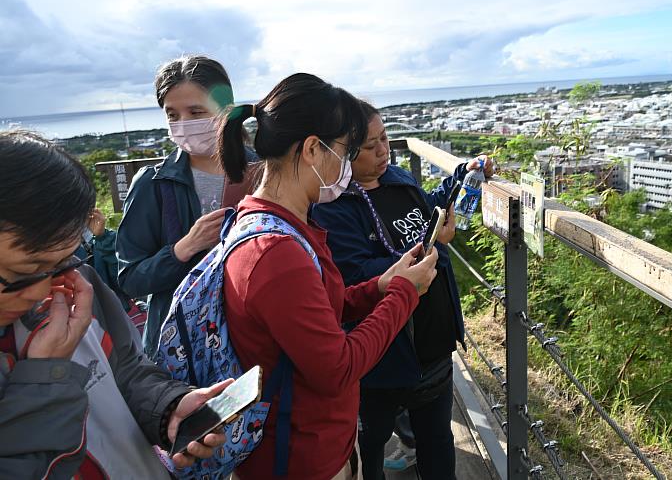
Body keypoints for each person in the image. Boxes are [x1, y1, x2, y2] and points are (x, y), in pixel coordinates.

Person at [216, 73, 439, 480]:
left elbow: (317, 312)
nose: (348, 165)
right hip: (300, 456)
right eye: (345, 150)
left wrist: (381, 286)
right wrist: (405, 294)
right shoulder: (276, 253)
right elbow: (337, 367)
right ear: (313, 150)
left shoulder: (273, 222)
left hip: (308, 440)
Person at [0, 130, 232, 478]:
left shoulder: (79, 290)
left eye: (64, 260)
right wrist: (44, 380)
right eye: (25, 270)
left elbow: (124, 368)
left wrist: (168, 408)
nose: (43, 289)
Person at [311, 102, 494, 479]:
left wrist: (464, 174)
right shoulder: (333, 209)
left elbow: (428, 210)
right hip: (383, 355)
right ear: (341, 152)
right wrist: (434, 248)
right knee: (370, 447)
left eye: (385, 139)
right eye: (370, 146)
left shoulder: (397, 178)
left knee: (437, 442)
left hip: (433, 346)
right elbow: (355, 276)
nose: (384, 151)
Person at [116, 55, 257, 358]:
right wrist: (183, 248)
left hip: (251, 341)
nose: (184, 124)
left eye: (196, 111)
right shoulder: (154, 183)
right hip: (180, 350)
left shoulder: (264, 173)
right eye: (172, 115)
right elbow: (130, 279)